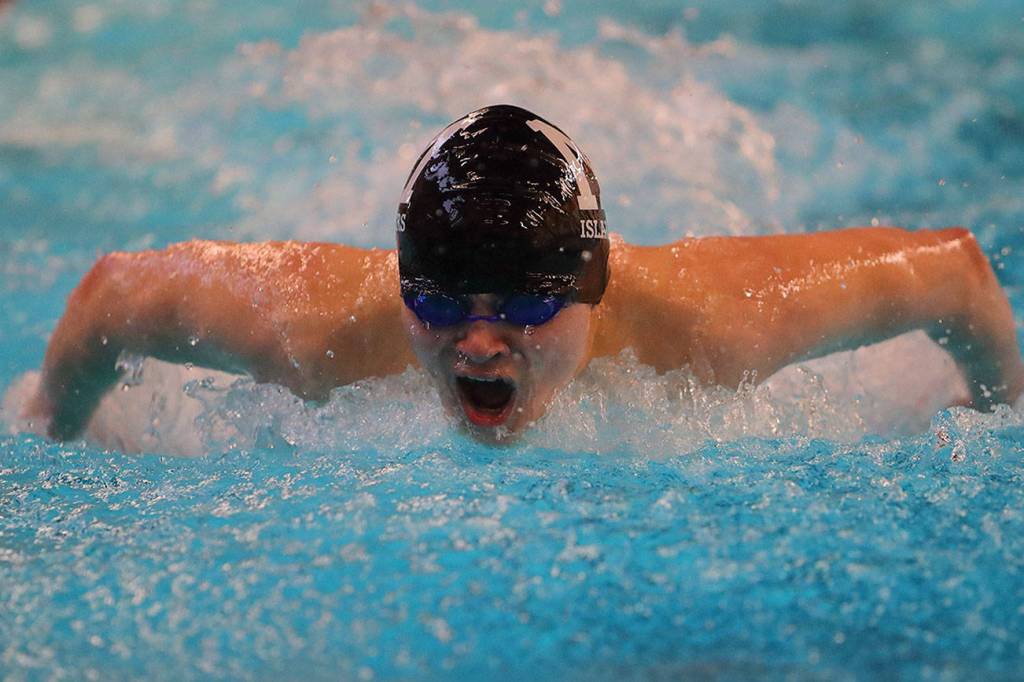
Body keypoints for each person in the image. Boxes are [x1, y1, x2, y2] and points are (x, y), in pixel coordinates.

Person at [23, 104, 1024, 443]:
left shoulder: (717, 325)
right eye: (440, 301)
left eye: (532, 304)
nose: (480, 341)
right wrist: (52, 436)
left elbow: (954, 271)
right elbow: (114, 291)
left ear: (593, 288)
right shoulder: (312, 329)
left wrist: (994, 412)